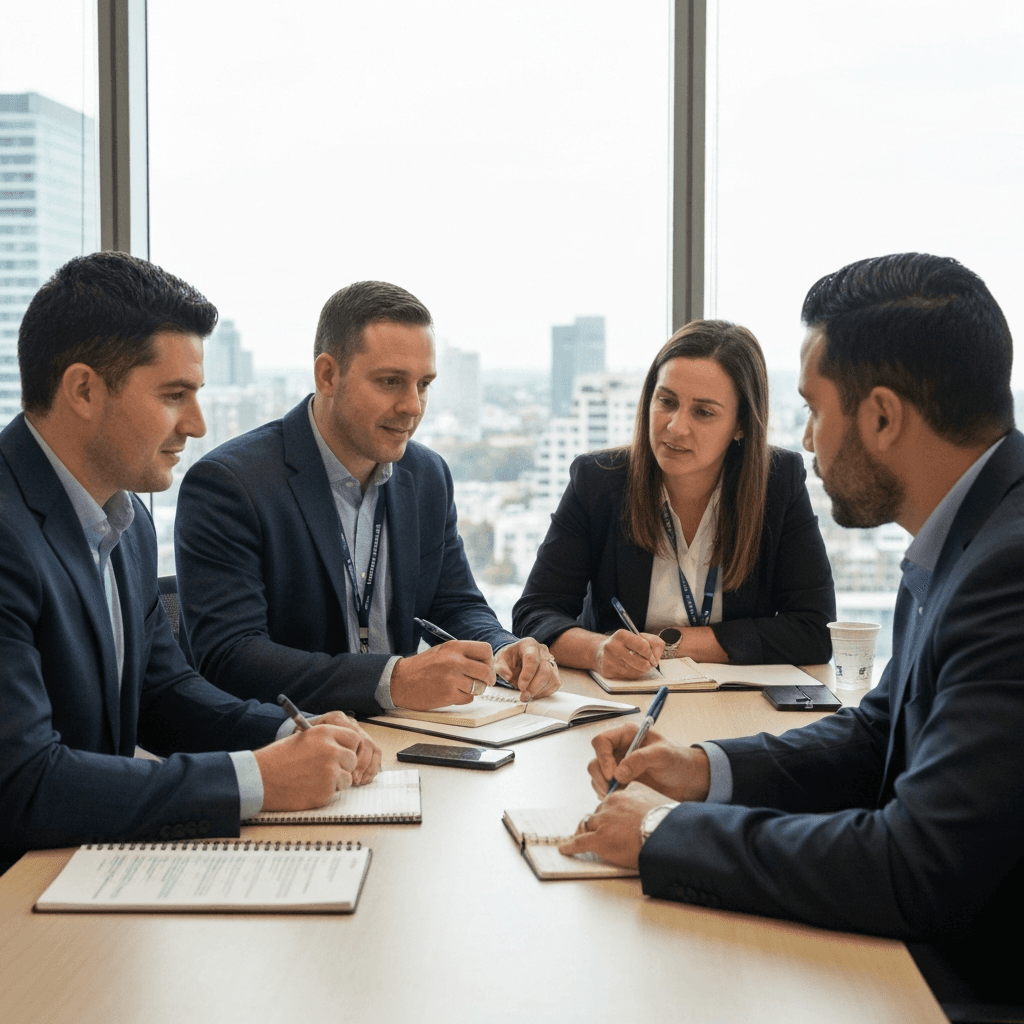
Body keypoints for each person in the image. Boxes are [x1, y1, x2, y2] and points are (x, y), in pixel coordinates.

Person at [559, 253, 1024, 1007]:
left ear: (880, 416)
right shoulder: (969, 539)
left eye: (814, 408)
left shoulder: (1008, 569)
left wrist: (662, 835)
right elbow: (879, 736)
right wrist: (702, 769)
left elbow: (915, 867)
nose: (806, 440)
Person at [0, 252, 381, 874]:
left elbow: (163, 695)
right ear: (84, 390)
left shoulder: (127, 521)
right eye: (174, 396)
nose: (197, 425)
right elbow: (24, 784)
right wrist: (255, 780)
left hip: (81, 872)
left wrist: (289, 734)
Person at [174, 280, 559, 717]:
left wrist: (503, 649)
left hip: (404, 733)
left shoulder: (427, 475)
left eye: (424, 384)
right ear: (328, 375)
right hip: (291, 745)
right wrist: (393, 680)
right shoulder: (231, 484)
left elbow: (454, 604)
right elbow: (230, 658)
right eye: (391, 382)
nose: (413, 406)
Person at [512, 319, 835, 679]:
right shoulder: (598, 481)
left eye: (704, 412)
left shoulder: (778, 482)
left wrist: (672, 643)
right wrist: (598, 650)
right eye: (666, 401)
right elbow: (535, 613)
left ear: (741, 424)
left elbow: (815, 630)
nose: (676, 426)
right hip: (624, 698)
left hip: (734, 706)